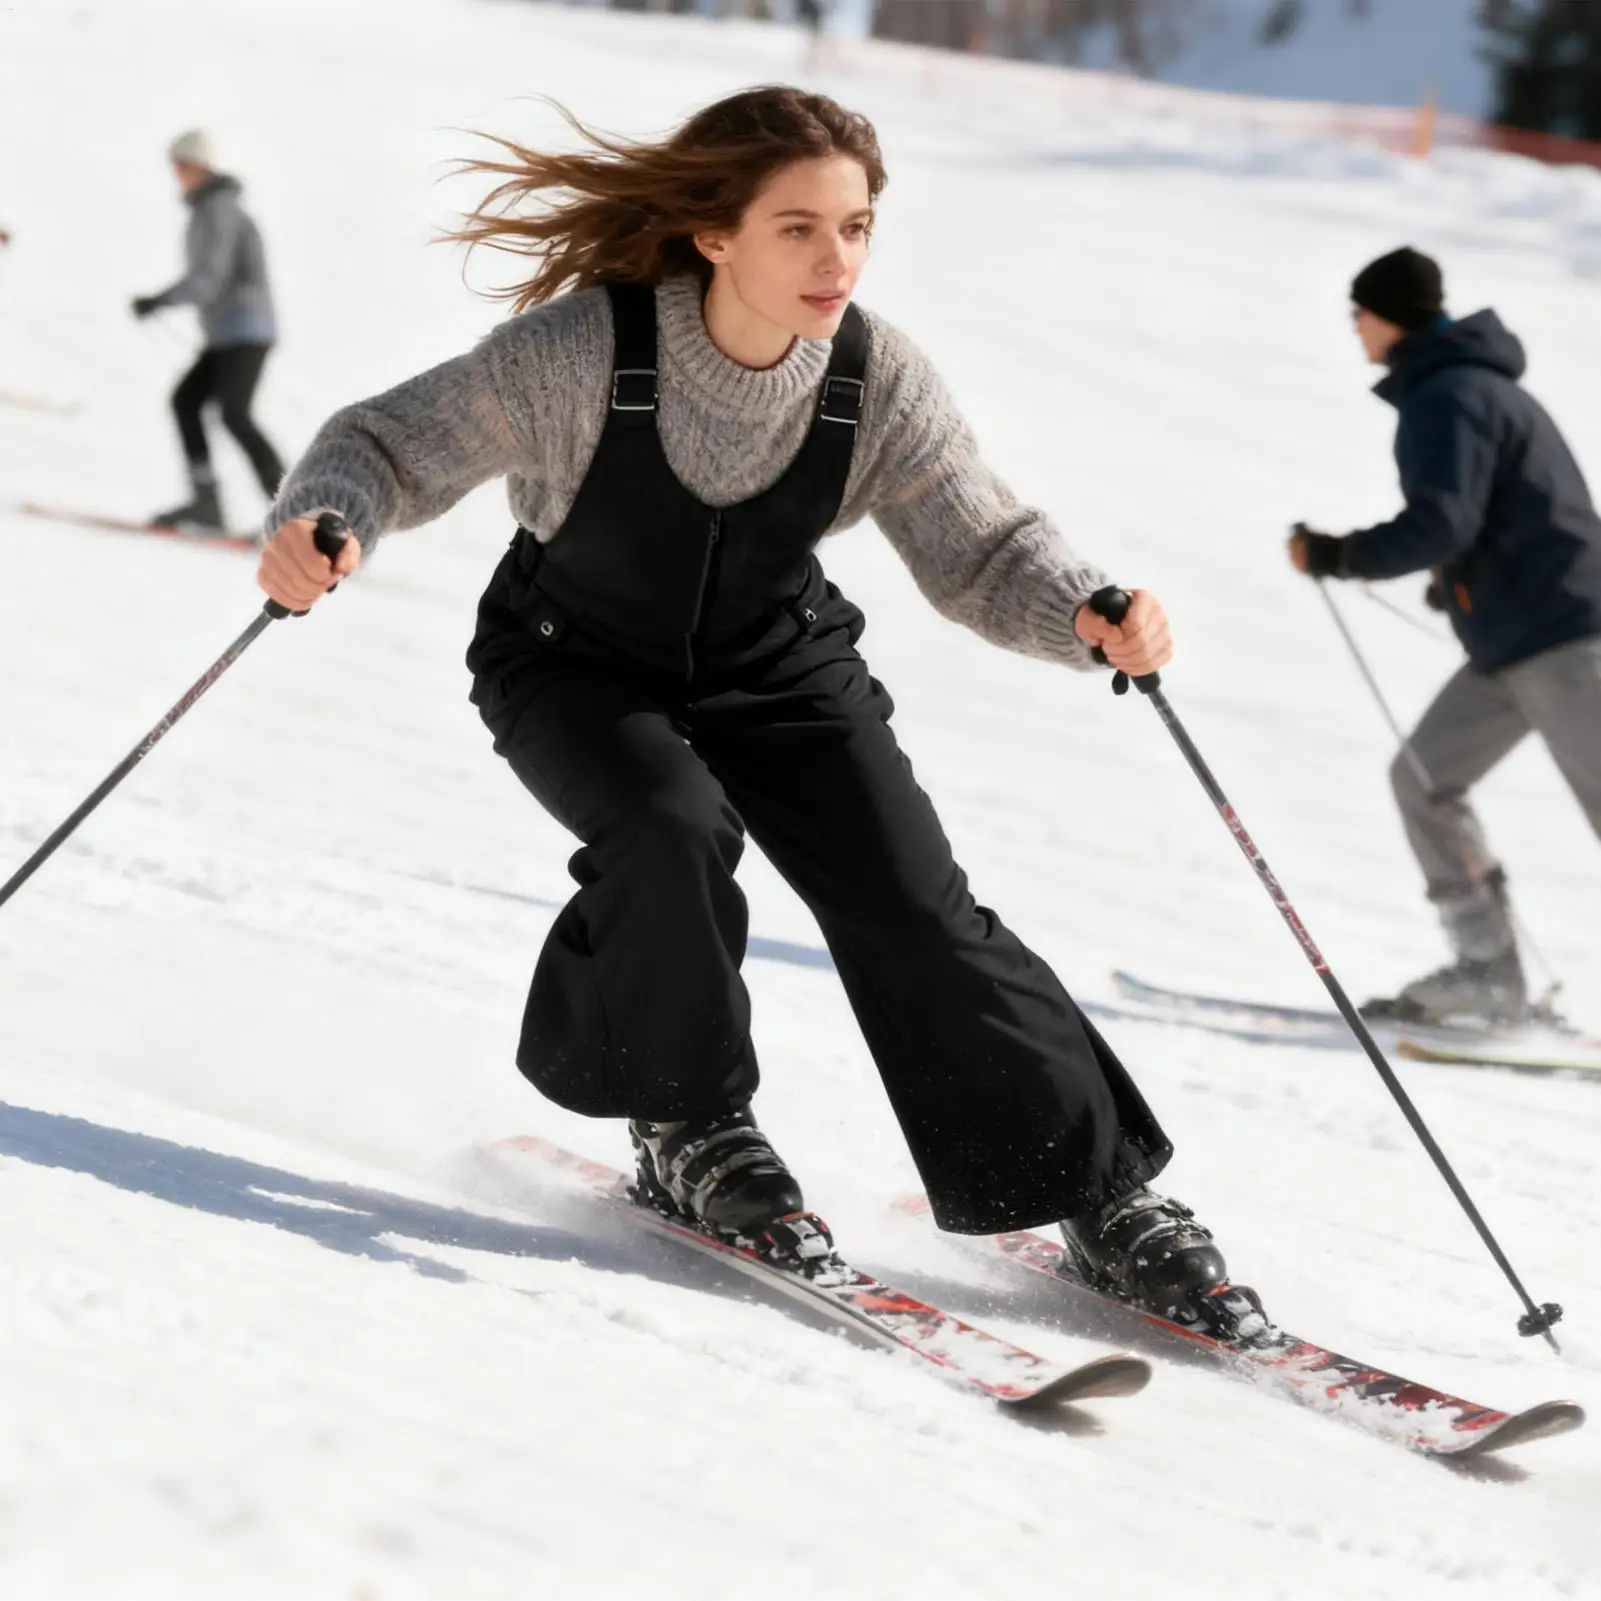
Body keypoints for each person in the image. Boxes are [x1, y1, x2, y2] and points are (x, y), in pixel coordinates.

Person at [257, 87, 1230, 1317]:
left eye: (855, 227)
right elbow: (386, 444)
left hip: (775, 661)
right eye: (798, 228)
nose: (836, 260)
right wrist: (325, 522)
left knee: (911, 903)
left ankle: (1094, 1188)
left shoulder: (874, 378)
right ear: (714, 234)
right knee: (667, 826)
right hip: (574, 659)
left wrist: (1087, 609)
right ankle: (688, 1122)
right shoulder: (579, 353)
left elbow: (980, 546)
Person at [1289, 246, 1601, 1027]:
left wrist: (1337, 554)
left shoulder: (1447, 393)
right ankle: (1487, 974)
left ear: (1389, 315)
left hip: (1565, 638)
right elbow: (1492, 515)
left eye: (1359, 312)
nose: (1354, 327)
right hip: (1517, 642)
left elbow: (1440, 520)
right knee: (1423, 777)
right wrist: (1462, 578)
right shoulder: (1467, 386)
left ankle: (1488, 974)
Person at [132, 130, 285, 531]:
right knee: (187, 401)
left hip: (246, 331)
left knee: (235, 414)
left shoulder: (218, 210)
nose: (177, 173)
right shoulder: (208, 209)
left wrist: (160, 300)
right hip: (228, 334)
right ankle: (207, 504)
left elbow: (210, 278)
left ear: (200, 166)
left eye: (182, 165)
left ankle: (294, 515)